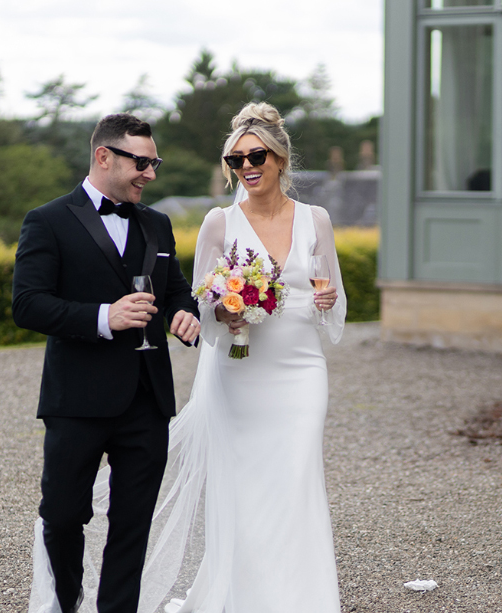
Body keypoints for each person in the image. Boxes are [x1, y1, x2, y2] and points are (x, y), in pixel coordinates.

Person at [115, 101, 345, 613]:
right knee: (244, 486)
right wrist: (227, 315)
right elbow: (201, 306)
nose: (248, 167)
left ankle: (304, 599)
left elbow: (331, 303)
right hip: (239, 373)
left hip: (302, 370)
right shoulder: (219, 224)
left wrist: (326, 301)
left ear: (280, 158)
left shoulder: (316, 220)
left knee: (298, 475)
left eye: (257, 155)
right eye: (236, 160)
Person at [12, 113, 201, 613]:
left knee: (133, 523)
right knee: (62, 515)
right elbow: (27, 304)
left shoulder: (158, 224)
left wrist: (185, 313)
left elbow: (177, 289)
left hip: (147, 398)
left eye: (154, 162)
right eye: (142, 162)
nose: (151, 174)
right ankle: (67, 599)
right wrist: (103, 316)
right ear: (103, 156)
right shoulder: (47, 220)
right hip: (76, 399)